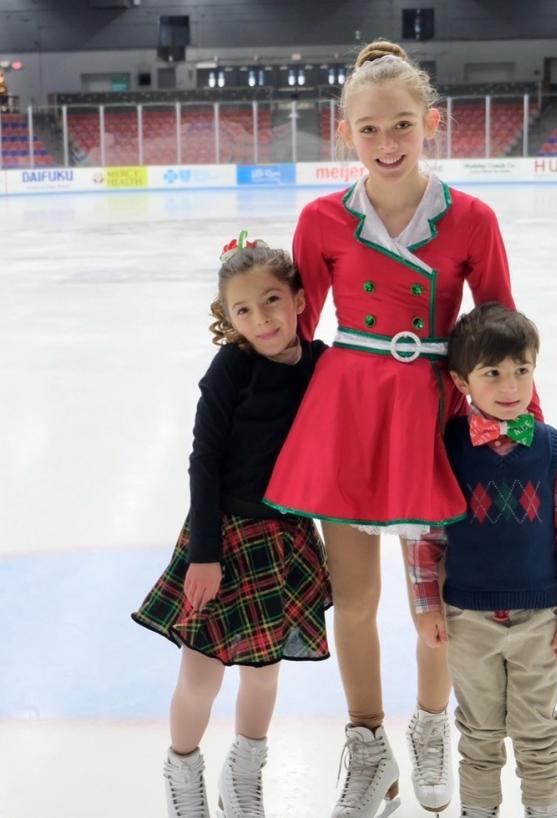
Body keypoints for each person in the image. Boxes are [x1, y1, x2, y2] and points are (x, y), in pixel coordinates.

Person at [263, 39, 540, 818]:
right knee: (354, 598)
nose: (387, 145)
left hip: (431, 415)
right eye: (370, 129)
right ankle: (367, 746)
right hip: (346, 414)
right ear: (343, 130)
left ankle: (428, 730)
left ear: (432, 124)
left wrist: (523, 434)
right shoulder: (321, 219)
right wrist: (254, 421)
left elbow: (497, 334)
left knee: (437, 603)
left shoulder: (471, 219)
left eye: (403, 127)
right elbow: (297, 335)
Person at [132, 232, 333, 818]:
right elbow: (204, 458)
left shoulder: (321, 365)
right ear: (229, 319)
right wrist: (204, 552)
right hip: (222, 536)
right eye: (243, 310)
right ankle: (184, 775)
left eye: (271, 300)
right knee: (201, 672)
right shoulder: (231, 369)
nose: (261, 318)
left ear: (298, 299)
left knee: (265, 672)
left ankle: (244, 776)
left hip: (284, 539)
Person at [408, 302, 557, 818]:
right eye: (493, 373)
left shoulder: (553, 448)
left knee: (538, 733)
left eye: (522, 370)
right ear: (463, 381)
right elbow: (427, 538)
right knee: (480, 734)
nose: (511, 385)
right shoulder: (448, 448)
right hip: (468, 621)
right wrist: (426, 604)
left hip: (540, 620)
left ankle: (544, 809)